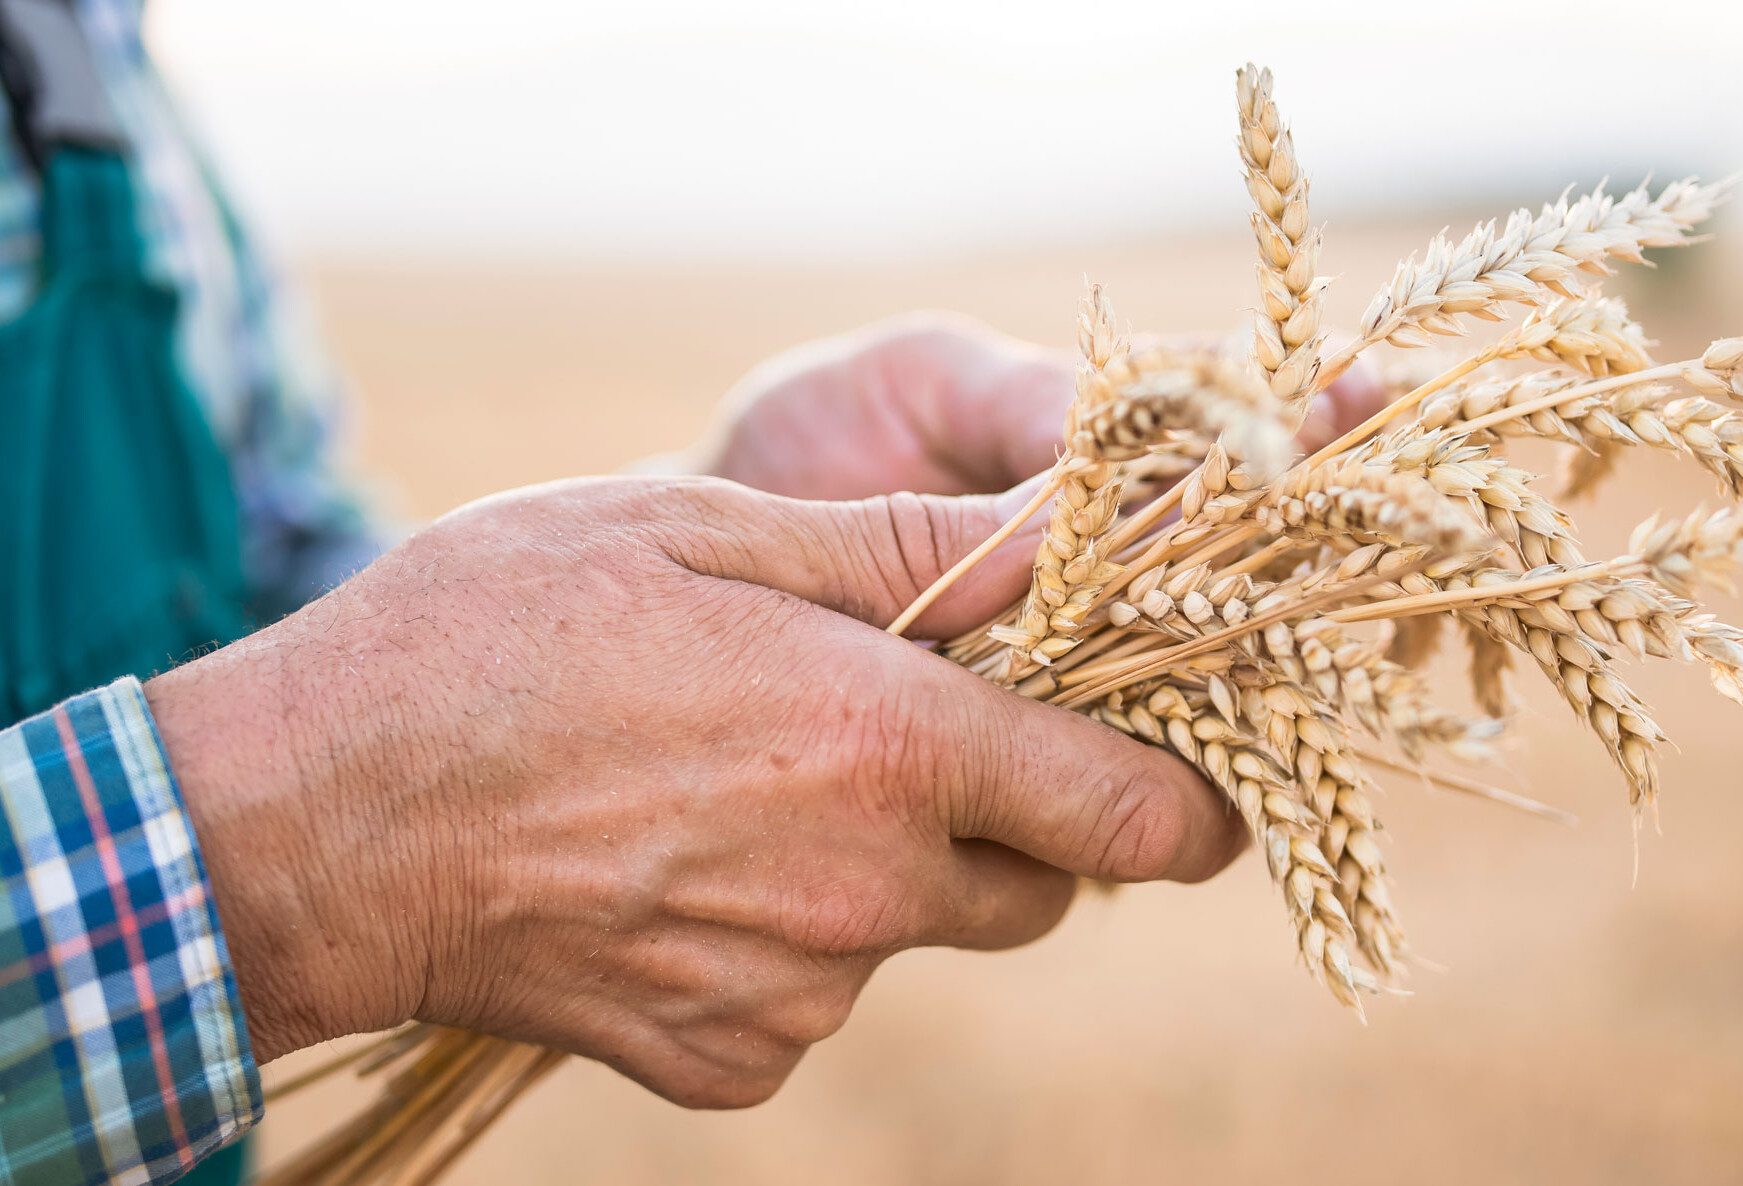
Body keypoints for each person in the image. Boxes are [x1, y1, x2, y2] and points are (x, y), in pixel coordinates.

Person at [0, 5, 1381, 1184]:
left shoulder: (85, 45)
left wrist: (746, 540)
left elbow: (253, 579)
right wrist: (301, 859)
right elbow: (320, 751)